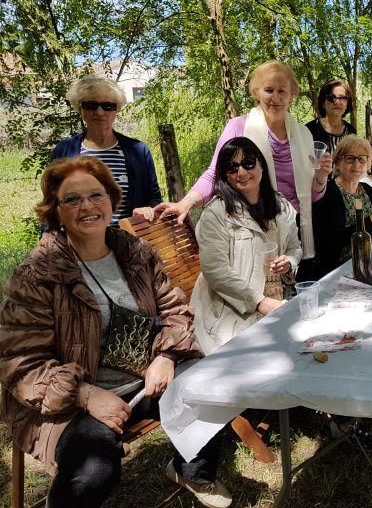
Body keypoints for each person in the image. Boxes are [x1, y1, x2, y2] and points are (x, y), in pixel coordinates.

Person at [0, 156, 229, 508]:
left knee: (211, 384)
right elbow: (19, 362)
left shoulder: (135, 251)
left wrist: (166, 356)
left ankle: (191, 470)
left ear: (110, 199)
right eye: (72, 199)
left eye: (96, 195)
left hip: (143, 381)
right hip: (67, 404)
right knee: (95, 470)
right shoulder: (37, 275)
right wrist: (86, 395)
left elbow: (175, 310)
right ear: (55, 211)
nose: (87, 206)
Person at [153, 60, 332, 279]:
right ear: (257, 92)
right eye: (268, 90)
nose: (275, 98)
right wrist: (186, 203)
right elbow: (215, 173)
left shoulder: (304, 134)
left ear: (291, 95)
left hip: (293, 228)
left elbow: (311, 196)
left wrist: (321, 177)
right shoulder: (239, 127)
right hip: (253, 225)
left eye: (282, 91)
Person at [192, 137, 303, 355]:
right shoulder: (216, 214)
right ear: (225, 175)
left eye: (248, 163)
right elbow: (216, 271)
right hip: (229, 314)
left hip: (277, 300)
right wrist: (259, 301)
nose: (241, 172)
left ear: (261, 164)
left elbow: (294, 248)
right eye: (232, 168)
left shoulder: (281, 206)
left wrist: (289, 263)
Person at [51, 75, 162, 226]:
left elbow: (154, 199)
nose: (99, 112)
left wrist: (146, 210)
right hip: (80, 244)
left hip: (128, 243)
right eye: (91, 105)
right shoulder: (64, 151)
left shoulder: (138, 151)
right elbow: (52, 204)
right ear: (80, 108)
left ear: (117, 109)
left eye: (108, 106)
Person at [312, 135, 372, 278]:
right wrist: (371, 221)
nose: (357, 165)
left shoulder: (366, 189)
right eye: (350, 159)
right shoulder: (329, 192)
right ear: (338, 162)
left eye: (362, 159)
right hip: (337, 269)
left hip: (366, 262)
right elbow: (332, 240)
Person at [305, 79, 357, 154]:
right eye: (331, 97)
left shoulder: (351, 131)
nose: (337, 102)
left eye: (342, 98)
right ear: (323, 103)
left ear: (347, 104)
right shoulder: (310, 129)